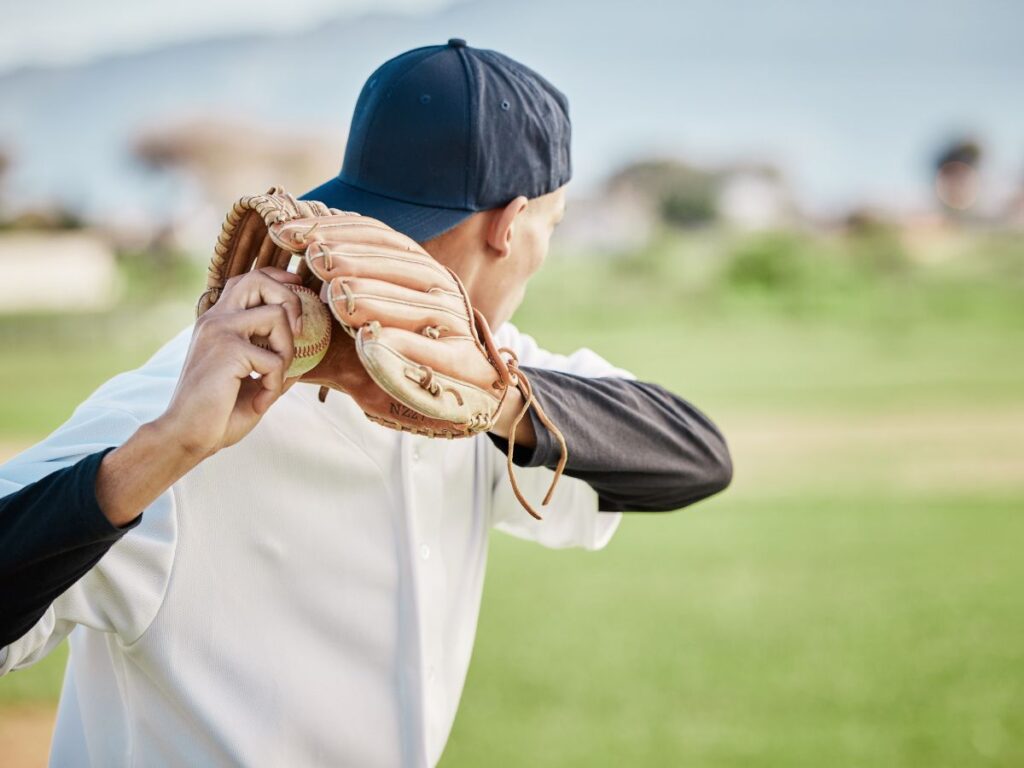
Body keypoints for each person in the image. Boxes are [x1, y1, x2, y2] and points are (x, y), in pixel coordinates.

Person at [0, 40, 731, 766]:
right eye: (554, 224)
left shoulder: (491, 377)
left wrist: (498, 400)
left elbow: (696, 458)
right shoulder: (172, 408)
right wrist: (162, 451)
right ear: (510, 228)